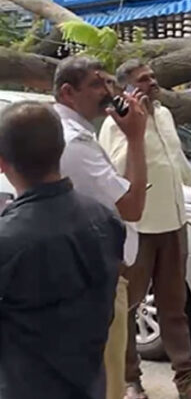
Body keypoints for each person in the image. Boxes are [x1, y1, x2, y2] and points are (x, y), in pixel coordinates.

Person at [99, 59, 191, 399]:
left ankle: (187, 380)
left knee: (174, 306)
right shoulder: (115, 124)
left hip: (174, 223)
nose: (153, 82)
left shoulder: (165, 114)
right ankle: (131, 381)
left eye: (153, 77)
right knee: (128, 307)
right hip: (138, 228)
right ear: (128, 88)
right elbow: (115, 173)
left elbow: (177, 158)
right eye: (144, 79)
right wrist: (134, 130)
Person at [0, 102, 126, 399]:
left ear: (2, 163)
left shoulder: (8, 238)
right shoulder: (105, 219)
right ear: (60, 149)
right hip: (89, 384)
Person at [53, 55, 149, 399]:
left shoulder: (73, 132)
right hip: (97, 277)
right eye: (96, 84)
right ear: (68, 92)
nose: (108, 91)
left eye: (109, 82)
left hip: (82, 271)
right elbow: (133, 207)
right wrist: (136, 138)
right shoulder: (75, 142)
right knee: (108, 380)